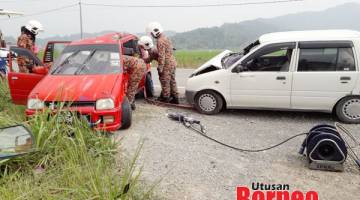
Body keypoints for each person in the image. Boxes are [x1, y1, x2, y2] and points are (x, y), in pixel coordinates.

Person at [146, 22, 179, 104]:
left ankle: (166, 98)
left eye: (151, 33)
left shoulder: (160, 41)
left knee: (165, 81)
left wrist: (160, 67)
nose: (152, 35)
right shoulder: (166, 38)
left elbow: (161, 56)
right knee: (172, 81)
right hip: (172, 62)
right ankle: (175, 98)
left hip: (166, 64)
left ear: (154, 31)